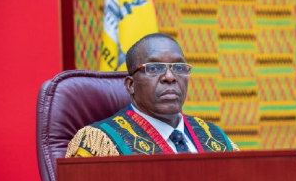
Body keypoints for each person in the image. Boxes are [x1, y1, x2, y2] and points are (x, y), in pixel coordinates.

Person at [65, 33, 239, 157]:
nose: (170, 77)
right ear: (131, 85)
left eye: (179, 68)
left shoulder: (215, 138)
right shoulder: (99, 144)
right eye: (154, 68)